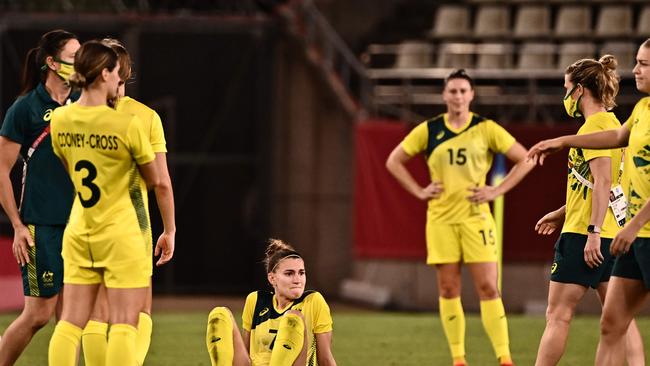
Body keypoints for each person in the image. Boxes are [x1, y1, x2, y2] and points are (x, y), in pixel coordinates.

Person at [385, 69, 535, 366]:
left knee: (489, 287)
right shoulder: (429, 130)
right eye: (452, 91)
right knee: (448, 288)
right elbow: (393, 161)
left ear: (471, 95)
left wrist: (497, 190)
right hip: (441, 219)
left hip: (476, 218)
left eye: (463, 91)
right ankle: (458, 358)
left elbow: (526, 158)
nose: (457, 96)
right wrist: (418, 191)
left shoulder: (486, 128)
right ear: (444, 95)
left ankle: (504, 358)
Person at [46, 40, 171, 366]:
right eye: (117, 72)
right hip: (121, 230)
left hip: (80, 228)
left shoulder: (59, 119)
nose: (120, 78)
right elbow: (155, 179)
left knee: (71, 322)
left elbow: (68, 165)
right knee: (124, 322)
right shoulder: (128, 123)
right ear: (105, 74)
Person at [528, 39, 650, 366]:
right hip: (618, 234)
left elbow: (604, 182)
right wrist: (561, 211)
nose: (565, 96)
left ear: (580, 90)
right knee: (619, 322)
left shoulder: (595, 124)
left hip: (588, 235)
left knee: (558, 315)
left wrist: (592, 231)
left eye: (566, 89)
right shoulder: (622, 121)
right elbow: (610, 186)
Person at [0, 29, 79, 366]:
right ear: (52, 62)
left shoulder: (85, 103)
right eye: (75, 58)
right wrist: (17, 226)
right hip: (41, 226)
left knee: (72, 318)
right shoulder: (26, 108)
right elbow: (1, 170)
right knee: (38, 315)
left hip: (81, 226)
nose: (82, 64)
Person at [205, 238, 337, 366]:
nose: (298, 280)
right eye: (289, 273)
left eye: (301, 273)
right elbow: (246, 353)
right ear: (272, 278)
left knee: (293, 319)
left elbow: (325, 358)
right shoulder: (255, 300)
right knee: (219, 315)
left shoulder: (313, 301)